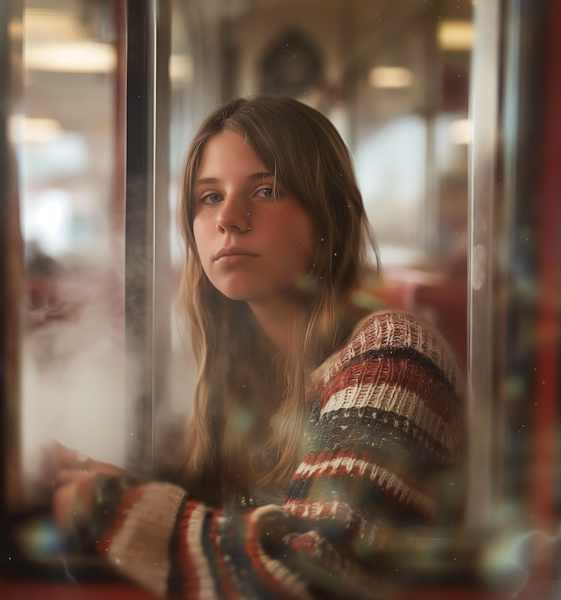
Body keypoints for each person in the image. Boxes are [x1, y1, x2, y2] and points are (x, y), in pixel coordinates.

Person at [50, 96, 465, 599]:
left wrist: (114, 507)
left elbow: (314, 574)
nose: (229, 218)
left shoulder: (396, 353)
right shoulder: (231, 372)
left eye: (266, 190)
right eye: (208, 197)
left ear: (327, 213)